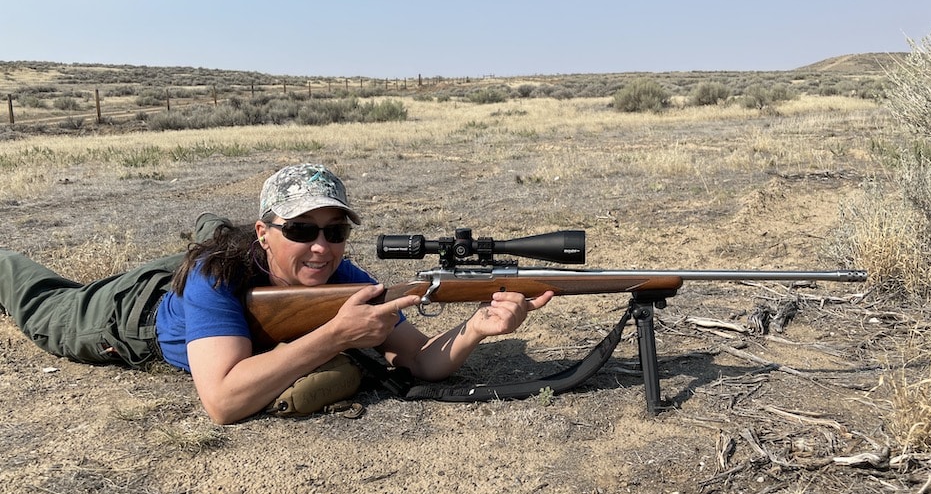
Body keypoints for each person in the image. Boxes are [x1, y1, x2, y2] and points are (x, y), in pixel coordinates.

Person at [0, 163, 553, 424]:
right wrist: (335, 336)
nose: (321, 247)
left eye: (334, 232)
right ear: (267, 231)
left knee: (219, 237)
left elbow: (421, 361)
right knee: (38, 297)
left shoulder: (348, 279)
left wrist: (477, 329)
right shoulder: (216, 278)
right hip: (128, 318)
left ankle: (215, 228)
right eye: (301, 230)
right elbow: (223, 403)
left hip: (241, 262)